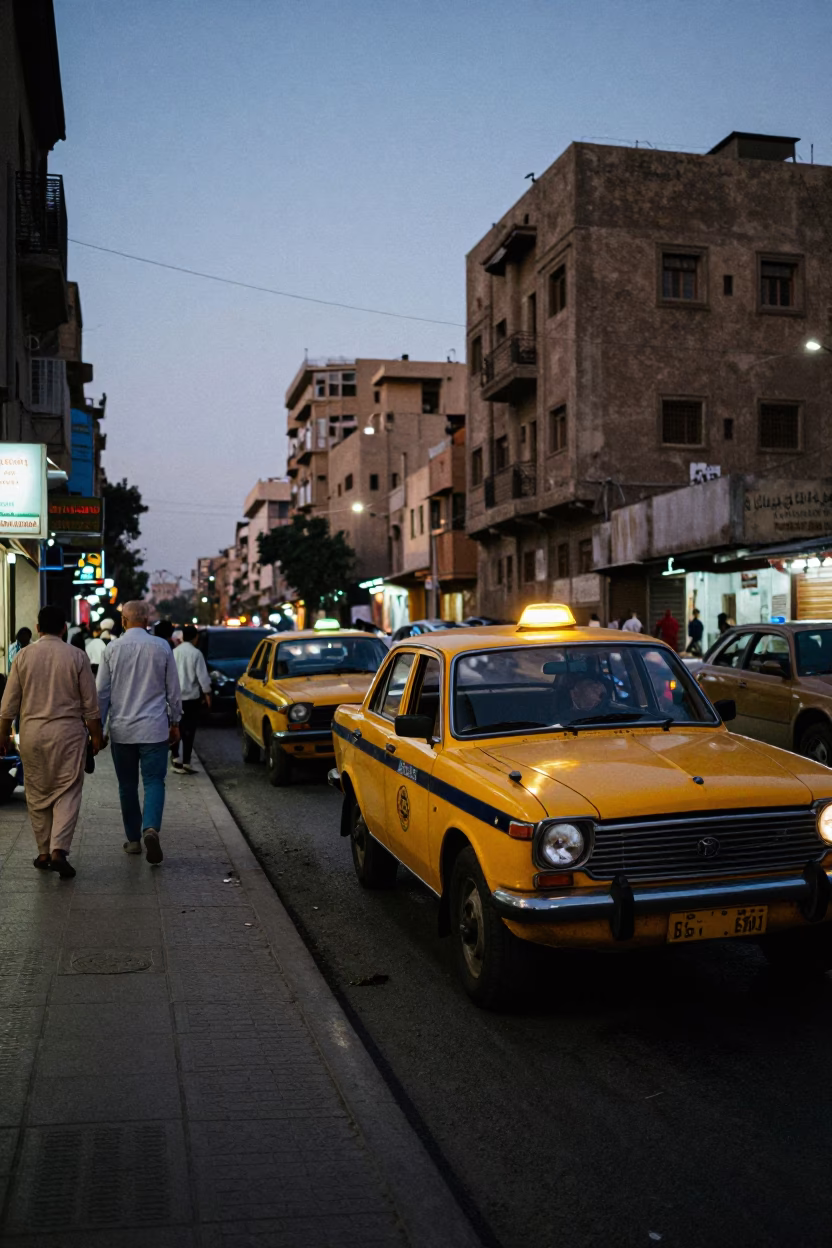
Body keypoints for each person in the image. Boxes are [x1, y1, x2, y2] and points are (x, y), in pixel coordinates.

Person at [0, 605, 102, 878]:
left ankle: (43, 851)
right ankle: (59, 850)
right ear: (64, 628)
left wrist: (2, 735)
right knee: (67, 790)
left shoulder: (23, 657)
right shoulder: (76, 656)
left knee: (36, 792)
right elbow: (91, 707)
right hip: (68, 735)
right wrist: (97, 737)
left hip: (32, 735)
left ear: (37, 628)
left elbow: (8, 705)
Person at [97, 600, 182, 864]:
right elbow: (173, 690)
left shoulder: (112, 648)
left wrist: (98, 729)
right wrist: (175, 721)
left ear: (123, 621)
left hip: (122, 730)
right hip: (155, 730)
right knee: (155, 781)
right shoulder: (162, 647)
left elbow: (101, 693)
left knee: (127, 785)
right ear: (147, 621)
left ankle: (133, 840)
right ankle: (151, 828)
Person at [172, 624, 211, 773]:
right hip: (191, 698)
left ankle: (176, 759)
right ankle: (186, 761)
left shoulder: (174, 652)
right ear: (195, 637)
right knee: (189, 730)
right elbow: (203, 677)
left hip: (175, 698)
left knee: (176, 727)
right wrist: (207, 694)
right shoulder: (196, 654)